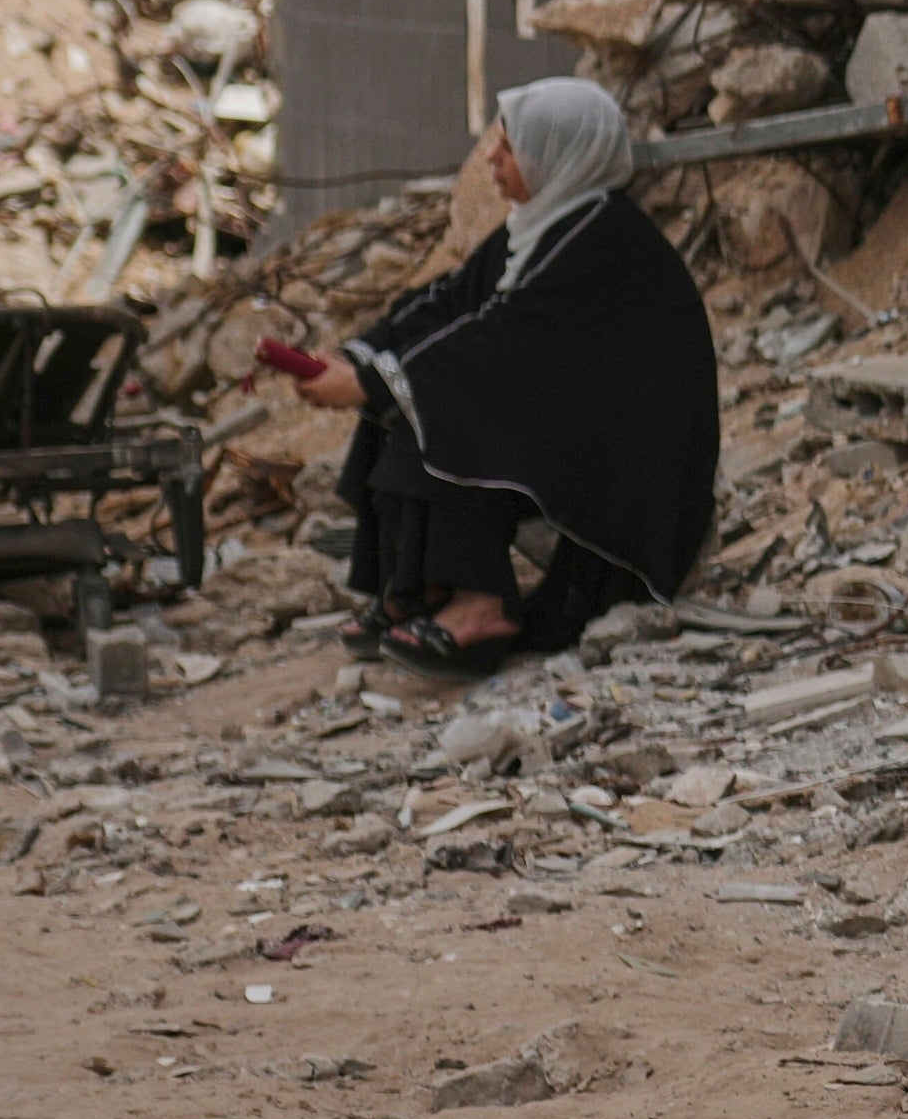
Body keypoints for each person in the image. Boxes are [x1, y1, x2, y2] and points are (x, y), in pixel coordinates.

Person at [281, 78, 719, 676]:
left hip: (637, 470)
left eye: (510, 147)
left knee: (452, 396)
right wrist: (359, 357)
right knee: (413, 391)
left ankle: (480, 605)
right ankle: (419, 586)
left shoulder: (602, 240)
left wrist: (374, 381)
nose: (490, 156)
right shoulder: (543, 224)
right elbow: (448, 302)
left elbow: (499, 342)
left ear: (561, 157)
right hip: (585, 432)